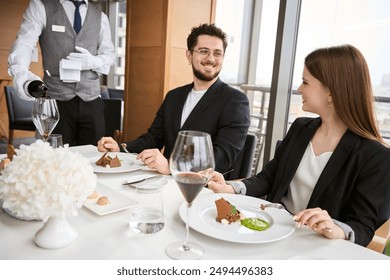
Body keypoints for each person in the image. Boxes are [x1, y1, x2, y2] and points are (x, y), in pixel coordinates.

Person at [208, 44, 390, 247]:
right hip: (271, 233)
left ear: (331, 91)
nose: (298, 89)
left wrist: (335, 228)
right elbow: (269, 177)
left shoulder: (376, 156)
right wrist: (231, 187)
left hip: (315, 248)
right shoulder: (301, 127)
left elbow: (362, 228)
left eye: (305, 82)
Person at [98, 23, 250, 176]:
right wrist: (121, 147)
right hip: (165, 181)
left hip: (204, 188)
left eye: (217, 53)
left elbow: (222, 157)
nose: (211, 59)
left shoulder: (235, 101)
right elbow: (154, 137)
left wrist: (173, 166)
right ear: (189, 55)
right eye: (204, 51)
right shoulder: (174, 96)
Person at [8, 0, 115, 146]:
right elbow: (24, 43)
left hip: (92, 101)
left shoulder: (100, 16)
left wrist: (92, 62)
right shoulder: (41, 6)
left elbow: (109, 55)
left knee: (93, 159)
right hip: (55, 102)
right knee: (55, 159)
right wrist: (20, 72)